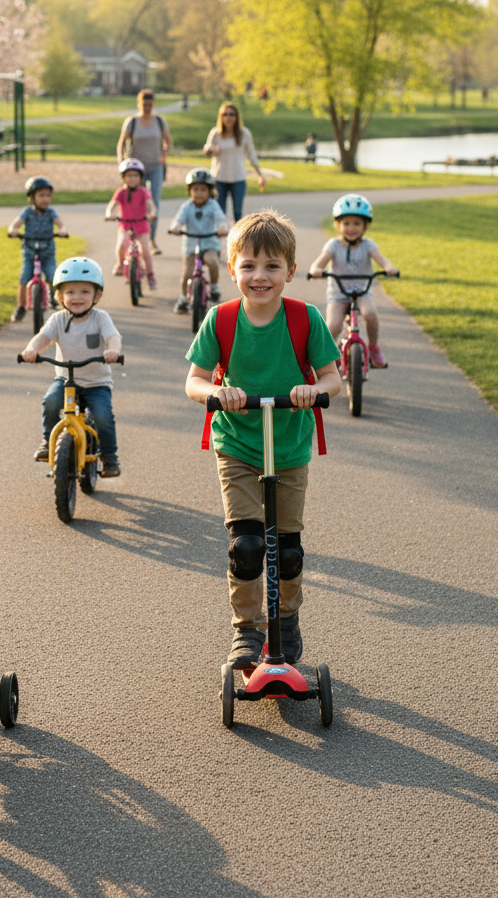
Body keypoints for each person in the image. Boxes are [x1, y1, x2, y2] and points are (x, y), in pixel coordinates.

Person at [184, 211, 341, 669]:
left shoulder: (305, 319)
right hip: (237, 444)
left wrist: (313, 390)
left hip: (289, 448)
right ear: (232, 269)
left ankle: (286, 621)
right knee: (248, 546)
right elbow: (194, 381)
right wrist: (216, 393)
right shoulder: (221, 319)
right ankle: (247, 629)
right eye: (249, 265)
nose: (260, 276)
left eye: (272, 266)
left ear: (291, 271)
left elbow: (333, 378)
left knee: (287, 551)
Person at [21, 257, 123, 477]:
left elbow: (113, 337)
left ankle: (110, 457)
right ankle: (47, 441)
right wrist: (32, 350)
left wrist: (113, 350)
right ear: (59, 296)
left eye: (85, 291)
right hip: (66, 380)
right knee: (50, 402)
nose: (77, 297)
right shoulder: (58, 319)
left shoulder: (100, 318)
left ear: (96, 295)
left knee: (103, 417)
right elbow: (43, 338)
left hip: (96, 383)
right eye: (70, 292)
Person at [308, 193, 399, 369]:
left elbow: (382, 260)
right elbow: (319, 263)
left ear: (365, 226)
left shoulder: (368, 245)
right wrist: (316, 270)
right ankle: (328, 356)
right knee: (333, 325)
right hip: (338, 293)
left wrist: (389, 267)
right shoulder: (333, 245)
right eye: (346, 223)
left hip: (362, 291)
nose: (351, 228)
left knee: (370, 313)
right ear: (338, 225)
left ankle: (373, 347)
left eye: (357, 223)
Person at [116, 89, 171, 255]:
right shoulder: (132, 122)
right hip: (136, 169)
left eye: (150, 104)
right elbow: (122, 143)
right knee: (135, 202)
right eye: (144, 104)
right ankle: (132, 239)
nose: (147, 107)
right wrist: (122, 162)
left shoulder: (159, 121)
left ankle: (151, 240)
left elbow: (168, 141)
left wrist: (164, 154)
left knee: (153, 203)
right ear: (139, 104)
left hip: (156, 167)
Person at [8, 175, 69, 322]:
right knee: (24, 278)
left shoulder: (51, 212)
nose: (45, 199)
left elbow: (60, 224)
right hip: (30, 251)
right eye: (41, 195)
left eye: (48, 195)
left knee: (53, 276)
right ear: (31, 198)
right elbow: (15, 224)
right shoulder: (27, 212)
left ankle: (57, 300)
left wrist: (62, 230)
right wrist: (13, 230)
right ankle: (20, 306)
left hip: (47, 251)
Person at [169, 167, 228, 313]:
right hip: (191, 244)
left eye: (203, 190)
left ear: (210, 191)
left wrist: (222, 228)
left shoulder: (213, 205)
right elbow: (179, 219)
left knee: (212, 261)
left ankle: (214, 286)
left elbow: (221, 218)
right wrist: (175, 227)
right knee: (187, 271)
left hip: (209, 243)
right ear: (189, 191)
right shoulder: (187, 206)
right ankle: (183, 297)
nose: (199, 193)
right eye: (195, 189)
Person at [202, 103, 265, 223]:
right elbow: (206, 149)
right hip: (219, 178)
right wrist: (211, 149)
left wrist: (259, 174)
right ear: (221, 117)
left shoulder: (244, 134)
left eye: (231, 114)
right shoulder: (216, 133)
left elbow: (251, 155)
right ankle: (220, 234)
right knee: (219, 212)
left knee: (237, 213)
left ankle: (237, 235)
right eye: (225, 114)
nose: (228, 118)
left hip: (238, 178)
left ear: (236, 117)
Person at [106, 158, 157, 289]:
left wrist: (151, 213)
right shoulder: (121, 192)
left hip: (141, 226)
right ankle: (120, 264)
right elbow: (112, 205)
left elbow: (151, 205)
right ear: (124, 177)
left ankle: (150, 275)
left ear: (140, 178)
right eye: (129, 175)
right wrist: (109, 214)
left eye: (135, 175)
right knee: (122, 244)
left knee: (145, 250)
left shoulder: (144, 192)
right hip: (125, 225)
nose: (132, 178)